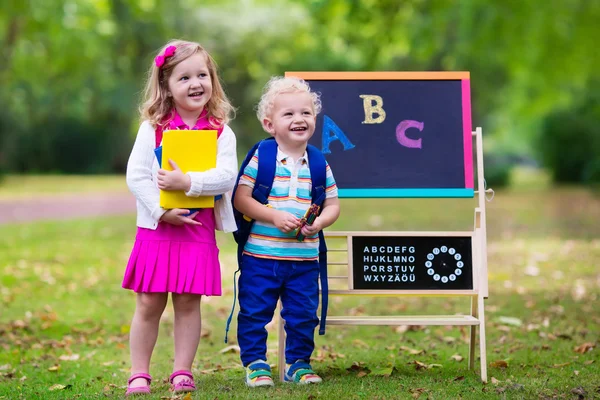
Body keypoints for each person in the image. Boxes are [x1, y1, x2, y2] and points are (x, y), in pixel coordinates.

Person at [122, 39, 237, 396]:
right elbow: (137, 176)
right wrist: (161, 210)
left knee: (188, 301)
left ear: (212, 80)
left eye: (202, 74)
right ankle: (139, 373)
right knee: (149, 301)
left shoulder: (220, 130)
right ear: (167, 87)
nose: (195, 83)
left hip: (197, 227)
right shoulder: (153, 127)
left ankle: (182, 371)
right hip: (158, 227)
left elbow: (226, 175)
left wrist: (188, 182)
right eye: (184, 77)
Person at [233, 76, 340, 387]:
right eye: (289, 114)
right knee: (254, 312)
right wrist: (273, 216)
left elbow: (333, 204)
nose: (299, 119)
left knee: (303, 315)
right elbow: (241, 198)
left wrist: (319, 223)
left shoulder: (319, 163)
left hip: (304, 260)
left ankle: (297, 364)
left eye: (306, 113)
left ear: (315, 120)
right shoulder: (262, 157)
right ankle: (255, 363)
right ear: (270, 124)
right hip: (261, 257)